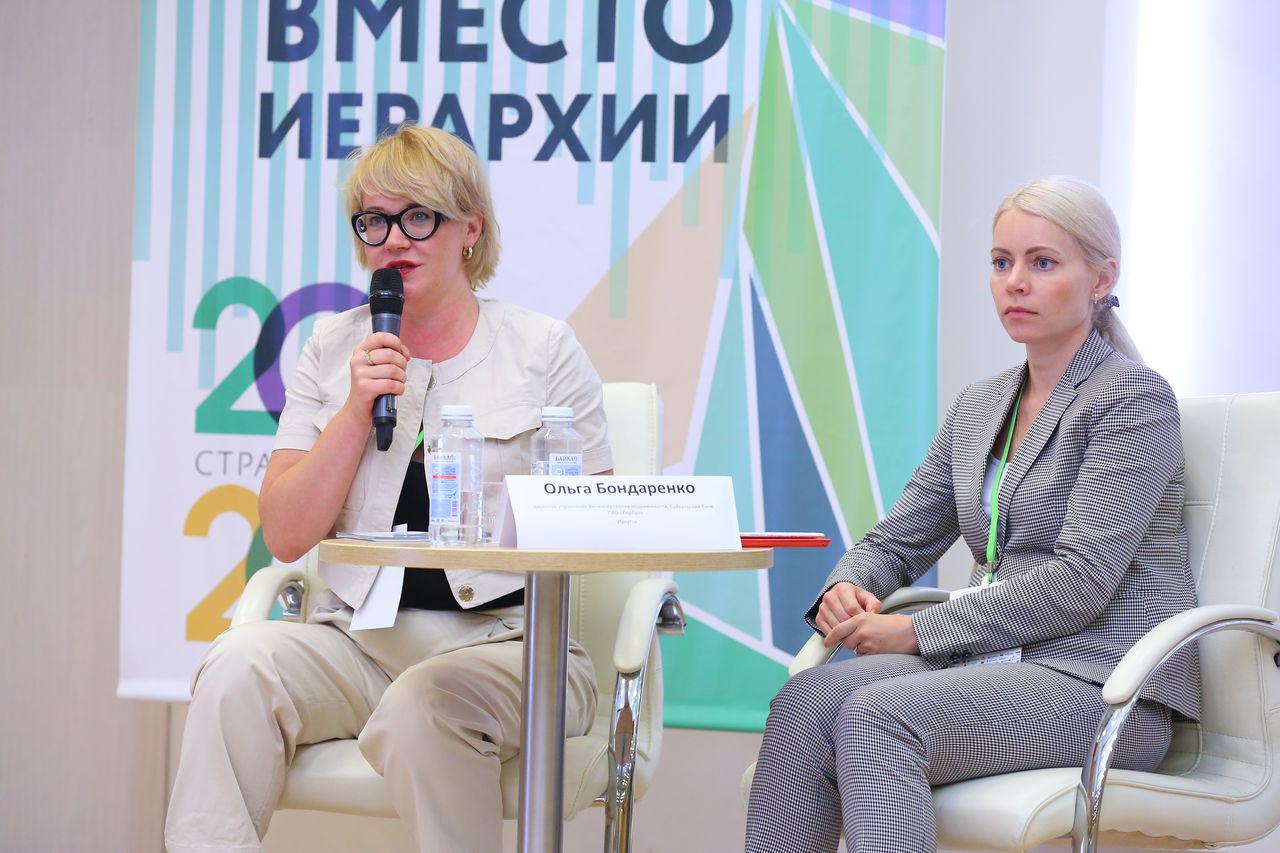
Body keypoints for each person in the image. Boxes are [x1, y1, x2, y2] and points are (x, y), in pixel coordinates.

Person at [165, 124, 612, 853]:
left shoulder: (543, 349)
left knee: (423, 706)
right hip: (360, 641)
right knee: (236, 667)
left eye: (418, 217)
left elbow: (600, 526)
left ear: (471, 228)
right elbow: (286, 533)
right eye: (373, 221)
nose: (394, 239)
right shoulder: (332, 347)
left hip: (514, 647)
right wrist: (354, 409)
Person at [745, 176, 1199, 852]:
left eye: (1042, 262)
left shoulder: (1132, 396)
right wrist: (848, 585)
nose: (1015, 282)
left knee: (878, 715)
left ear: (1102, 278)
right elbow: (896, 540)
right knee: (804, 702)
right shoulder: (981, 403)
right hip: (992, 663)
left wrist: (915, 631)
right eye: (1001, 262)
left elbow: (1080, 581)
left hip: (1102, 684)